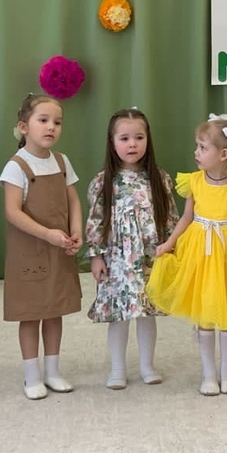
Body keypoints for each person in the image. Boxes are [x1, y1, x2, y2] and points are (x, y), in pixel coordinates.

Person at [146, 114, 227, 396]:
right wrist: (170, 242)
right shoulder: (195, 182)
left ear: (223, 154)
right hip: (201, 251)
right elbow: (187, 217)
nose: (196, 152)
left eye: (202, 147)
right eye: (197, 146)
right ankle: (209, 374)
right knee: (205, 313)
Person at [84, 108, 178, 389]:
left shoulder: (159, 178)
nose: (132, 144)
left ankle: (147, 366)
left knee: (147, 313)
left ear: (148, 140)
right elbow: (95, 221)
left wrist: (171, 248)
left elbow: (170, 218)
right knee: (120, 315)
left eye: (139, 137)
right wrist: (96, 256)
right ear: (112, 142)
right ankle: (117, 369)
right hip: (118, 260)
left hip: (151, 257)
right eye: (124, 138)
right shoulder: (103, 182)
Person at [0, 94, 83, 399]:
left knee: (54, 309)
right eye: (43, 120)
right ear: (24, 127)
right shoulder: (16, 166)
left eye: (57, 122)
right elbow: (12, 212)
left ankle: (53, 371)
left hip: (58, 249)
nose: (51, 127)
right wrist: (47, 234)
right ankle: (31, 376)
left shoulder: (61, 161)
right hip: (30, 252)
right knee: (31, 312)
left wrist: (76, 230)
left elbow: (73, 200)